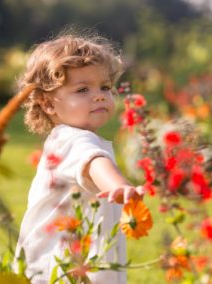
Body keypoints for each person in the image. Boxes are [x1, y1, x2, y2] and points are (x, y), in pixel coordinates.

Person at [15, 33, 144, 284]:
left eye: (104, 87)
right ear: (48, 103)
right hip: (63, 271)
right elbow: (94, 163)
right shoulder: (73, 140)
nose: (98, 95)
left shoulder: (66, 139)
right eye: (83, 89)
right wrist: (118, 186)